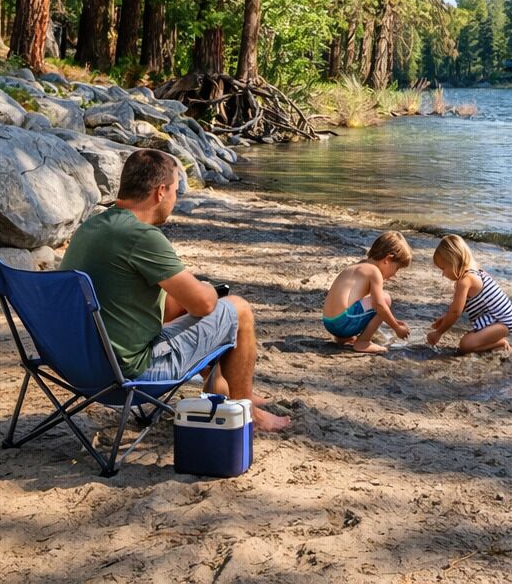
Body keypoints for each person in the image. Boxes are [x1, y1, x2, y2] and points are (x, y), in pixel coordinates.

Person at [60, 149, 290, 431]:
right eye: (175, 191)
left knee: (175, 303)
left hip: (77, 366)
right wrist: (205, 287)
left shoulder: (93, 226)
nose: (175, 199)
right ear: (160, 192)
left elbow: (170, 305)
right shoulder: (141, 236)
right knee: (238, 309)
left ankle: (224, 386)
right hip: (125, 375)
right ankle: (245, 411)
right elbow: (203, 305)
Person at [321, 231, 413, 353]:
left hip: (329, 322)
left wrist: (394, 320)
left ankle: (343, 338)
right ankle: (363, 342)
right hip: (343, 322)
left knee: (371, 298)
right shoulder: (374, 272)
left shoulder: (357, 266)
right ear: (387, 259)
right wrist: (396, 328)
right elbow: (379, 306)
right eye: (397, 268)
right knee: (385, 299)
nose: (395, 274)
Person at [426, 234, 512, 354]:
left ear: (453, 262)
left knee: (465, 345)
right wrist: (445, 319)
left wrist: (439, 333)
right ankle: (490, 341)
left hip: (502, 323)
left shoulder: (465, 281)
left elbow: (455, 312)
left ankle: (501, 343)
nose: (443, 274)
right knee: (468, 341)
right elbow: (462, 305)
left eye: (443, 268)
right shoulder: (474, 271)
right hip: (499, 320)